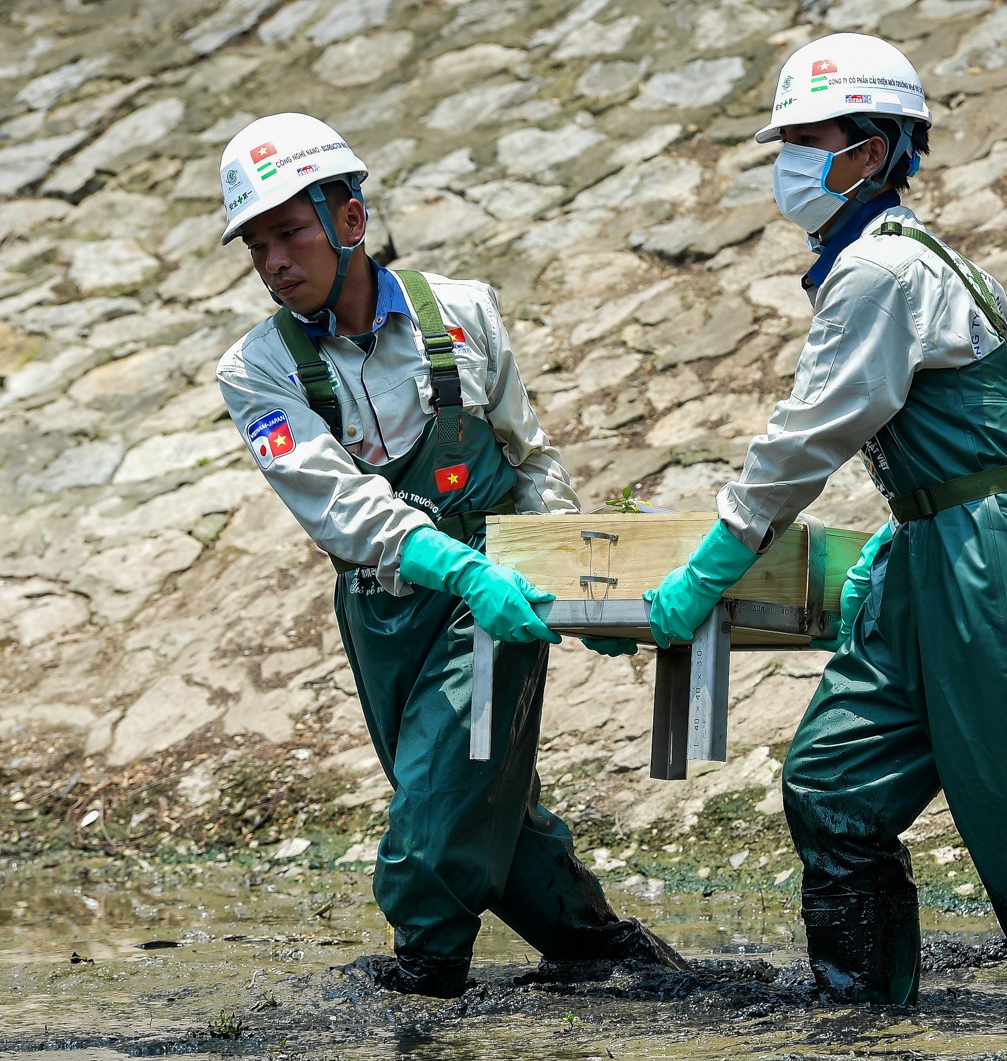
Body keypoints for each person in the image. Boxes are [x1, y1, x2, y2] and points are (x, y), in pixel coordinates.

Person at [644, 36, 1007, 1006]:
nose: (789, 161)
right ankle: (865, 1035)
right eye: (784, 140)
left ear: (876, 149)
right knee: (833, 784)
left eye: (810, 138)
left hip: (984, 565)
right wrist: (911, 530)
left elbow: (804, 439)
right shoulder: (884, 265)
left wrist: (708, 566)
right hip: (928, 546)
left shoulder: (882, 272)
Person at [214, 113, 685, 997]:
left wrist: (576, 587)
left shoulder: (464, 314)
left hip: (492, 597)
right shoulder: (256, 371)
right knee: (477, 791)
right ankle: (600, 950)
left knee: (438, 807)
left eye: (290, 232)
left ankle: (423, 995)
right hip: (384, 608)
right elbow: (339, 506)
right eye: (256, 245)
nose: (275, 261)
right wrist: (452, 565)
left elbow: (529, 458)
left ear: (350, 220)